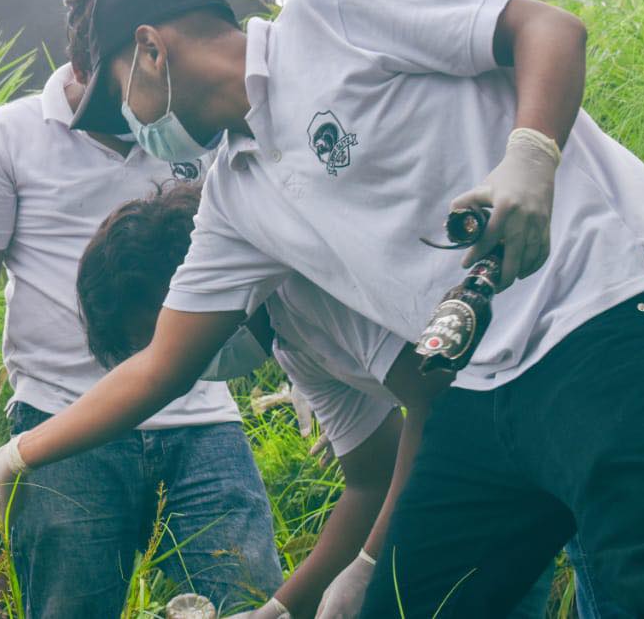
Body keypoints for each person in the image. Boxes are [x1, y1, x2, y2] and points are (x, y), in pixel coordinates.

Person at [0, 0, 644, 617]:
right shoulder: (235, 196)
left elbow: (548, 27)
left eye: (117, 98)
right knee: (401, 605)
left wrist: (531, 155)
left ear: (150, 49)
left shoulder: (329, 14)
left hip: (608, 298)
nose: (126, 126)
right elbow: (159, 365)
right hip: (484, 381)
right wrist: (19, 452)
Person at [0, 0, 282, 618]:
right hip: (62, 420)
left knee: (247, 599)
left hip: (197, 413)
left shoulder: (192, 124)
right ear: (82, 69)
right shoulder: (9, 136)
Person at [77, 181, 453, 619]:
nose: (178, 364)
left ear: (200, 281)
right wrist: (277, 610)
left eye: (168, 340)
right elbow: (372, 477)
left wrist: (369, 562)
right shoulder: (292, 341)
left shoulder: (312, 289)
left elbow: (440, 403)